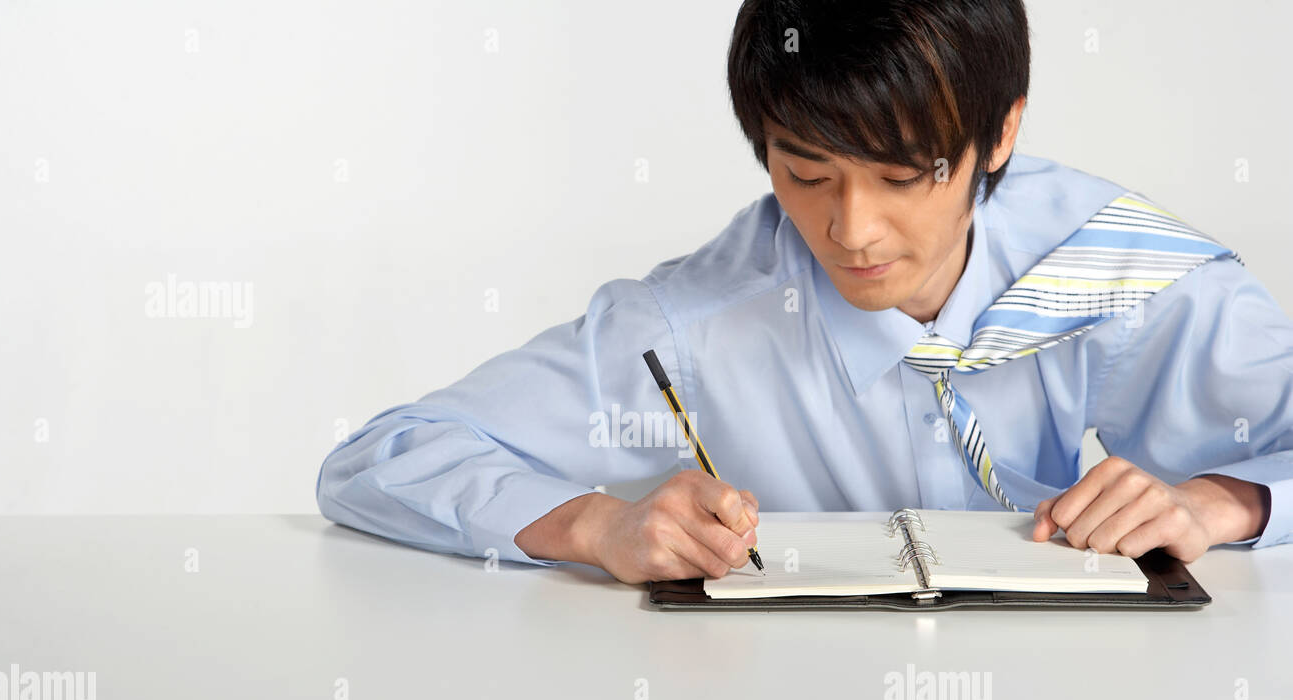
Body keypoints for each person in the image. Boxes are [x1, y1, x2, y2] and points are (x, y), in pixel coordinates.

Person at [316, 0, 1292, 585]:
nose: (852, 229)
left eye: (906, 174)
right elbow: (377, 459)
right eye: (808, 174)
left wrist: (1221, 501)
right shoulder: (691, 321)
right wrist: (594, 524)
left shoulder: (1113, 270)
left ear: (999, 136)